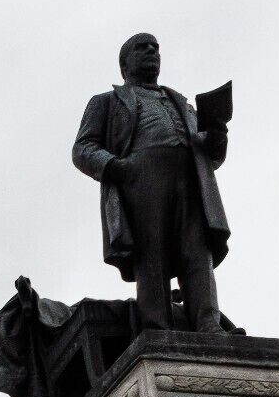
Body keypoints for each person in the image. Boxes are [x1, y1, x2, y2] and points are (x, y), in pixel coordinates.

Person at [72, 33, 229, 331]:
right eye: (141, 47)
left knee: (197, 250)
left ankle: (209, 324)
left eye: (155, 47)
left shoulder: (183, 104)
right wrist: (118, 167)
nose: (151, 51)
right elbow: (82, 148)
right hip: (141, 180)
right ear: (124, 64)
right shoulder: (107, 102)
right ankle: (157, 326)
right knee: (151, 253)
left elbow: (212, 156)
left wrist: (218, 132)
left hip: (190, 179)